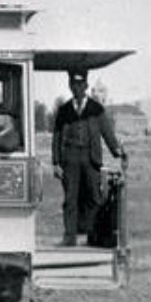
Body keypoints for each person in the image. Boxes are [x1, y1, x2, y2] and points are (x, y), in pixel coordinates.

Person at [51, 69, 127, 246]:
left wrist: (118, 152)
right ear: (70, 86)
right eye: (73, 84)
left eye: (80, 84)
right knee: (70, 198)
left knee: (94, 197)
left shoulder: (97, 109)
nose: (77, 88)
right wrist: (55, 162)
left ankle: (89, 233)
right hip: (69, 159)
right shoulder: (64, 110)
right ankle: (70, 237)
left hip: (90, 158)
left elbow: (107, 133)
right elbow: (56, 137)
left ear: (86, 86)